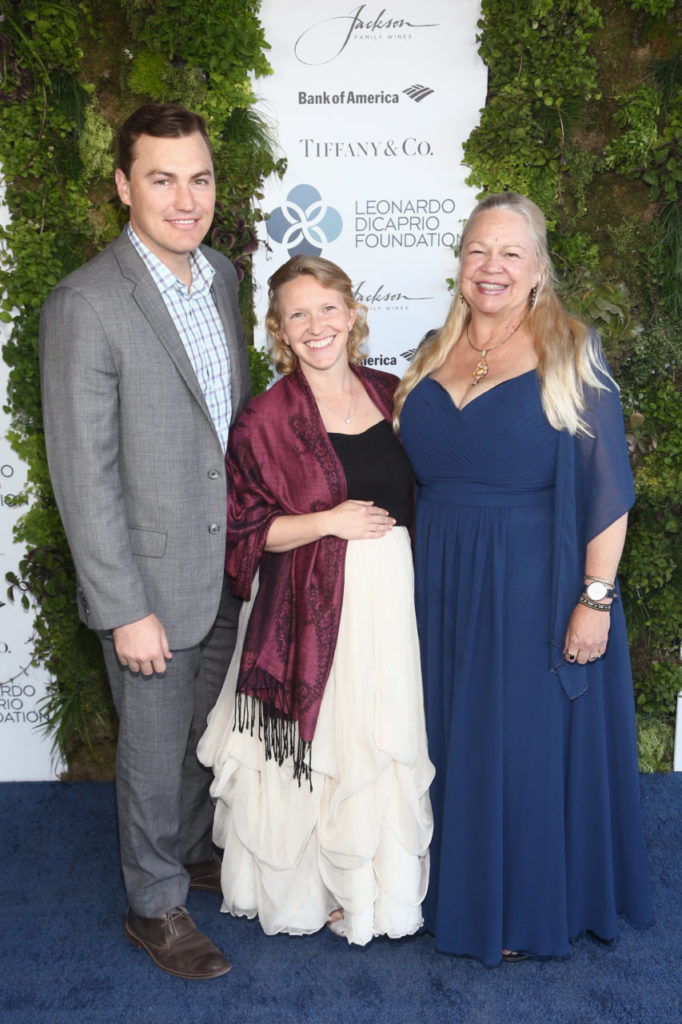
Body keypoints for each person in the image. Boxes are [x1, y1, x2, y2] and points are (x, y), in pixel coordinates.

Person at [395, 192, 654, 965]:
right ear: (461, 262)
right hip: (438, 579)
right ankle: (446, 893)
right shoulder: (431, 349)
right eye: (479, 250)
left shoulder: (572, 350)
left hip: (530, 583)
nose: (493, 267)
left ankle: (516, 910)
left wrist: (594, 599)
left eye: (511, 253)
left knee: (517, 745)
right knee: (447, 740)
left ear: (540, 267)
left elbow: (607, 488)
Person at [40, 103, 252, 979]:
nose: (184, 198)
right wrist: (124, 607)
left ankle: (195, 852)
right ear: (124, 187)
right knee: (153, 751)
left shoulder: (227, 277)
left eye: (198, 178)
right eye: (161, 179)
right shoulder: (86, 304)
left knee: (206, 735)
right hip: (150, 583)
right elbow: (82, 476)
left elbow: (224, 430)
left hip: (229, 566)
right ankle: (155, 904)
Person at [198, 255, 434, 945]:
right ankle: (311, 890)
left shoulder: (396, 393)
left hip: (390, 607)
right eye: (297, 314)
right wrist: (329, 521)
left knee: (375, 747)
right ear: (279, 331)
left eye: (327, 308)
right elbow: (244, 530)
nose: (316, 325)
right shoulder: (264, 420)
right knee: (317, 753)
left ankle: (368, 893)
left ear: (352, 314)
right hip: (308, 614)